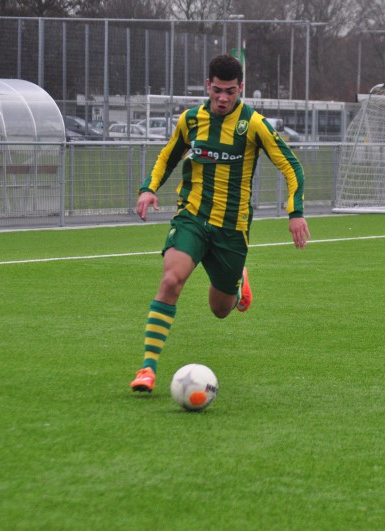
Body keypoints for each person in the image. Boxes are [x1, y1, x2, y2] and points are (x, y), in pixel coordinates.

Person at [129, 54, 310, 393]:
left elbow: (291, 166)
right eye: (217, 91)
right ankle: (147, 369)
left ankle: (238, 280)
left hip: (231, 228)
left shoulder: (253, 124)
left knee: (221, 310)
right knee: (170, 280)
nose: (223, 98)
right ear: (208, 86)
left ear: (241, 88)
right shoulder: (191, 120)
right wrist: (148, 189)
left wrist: (295, 211)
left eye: (230, 91)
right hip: (192, 217)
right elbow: (168, 155)